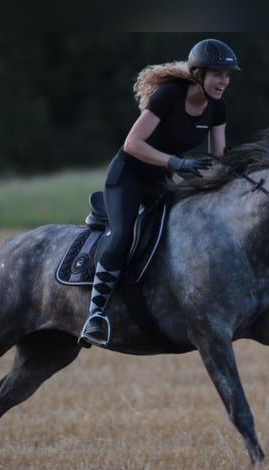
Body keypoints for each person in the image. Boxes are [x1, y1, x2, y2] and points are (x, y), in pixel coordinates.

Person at [80, 38, 241, 347]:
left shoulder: (218, 107)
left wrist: (238, 173)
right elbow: (132, 144)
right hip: (126, 176)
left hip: (160, 180)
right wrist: (176, 162)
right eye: (218, 74)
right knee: (122, 234)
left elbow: (219, 157)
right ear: (198, 75)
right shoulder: (169, 96)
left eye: (228, 75)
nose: (224, 81)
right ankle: (95, 315)